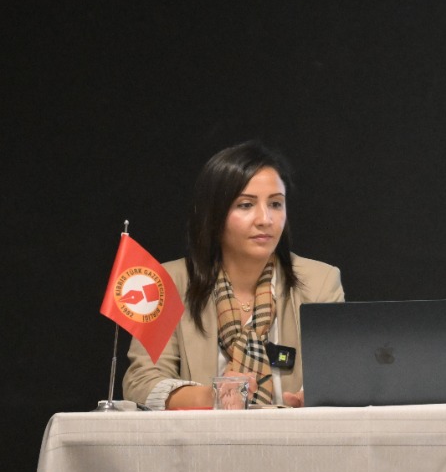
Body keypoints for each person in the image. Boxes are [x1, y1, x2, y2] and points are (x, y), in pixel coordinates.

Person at [122, 141, 343, 409]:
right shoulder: (167, 282)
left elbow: (337, 370)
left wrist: (320, 394)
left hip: (294, 432)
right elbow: (141, 381)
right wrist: (212, 396)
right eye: (246, 205)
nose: (265, 219)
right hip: (203, 434)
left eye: (276, 204)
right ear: (214, 213)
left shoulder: (320, 281)